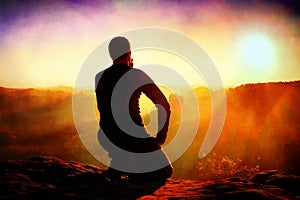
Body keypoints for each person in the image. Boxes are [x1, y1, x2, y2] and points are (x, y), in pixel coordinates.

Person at [95, 37, 173, 182]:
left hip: (106, 137)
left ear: (110, 54)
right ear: (129, 53)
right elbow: (163, 104)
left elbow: (107, 108)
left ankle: (121, 162)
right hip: (133, 138)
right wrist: (161, 137)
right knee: (165, 171)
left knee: (126, 151)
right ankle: (128, 167)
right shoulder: (136, 75)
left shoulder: (99, 76)